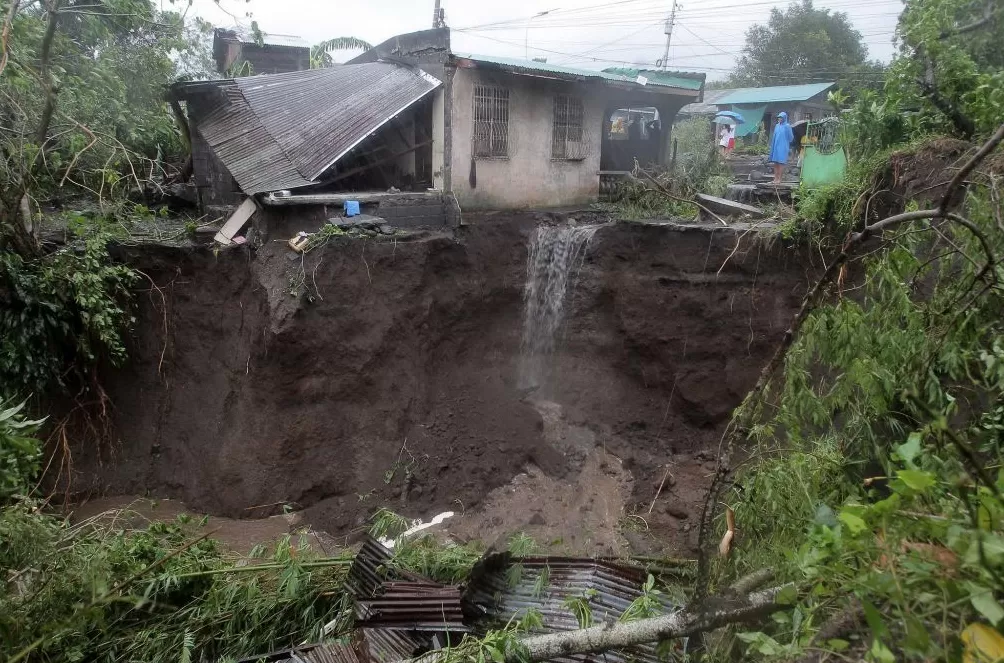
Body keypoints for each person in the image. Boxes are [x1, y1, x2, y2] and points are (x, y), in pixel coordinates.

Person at [769, 111, 795, 185]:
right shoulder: (777, 126)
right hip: (776, 146)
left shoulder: (787, 126)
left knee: (781, 163)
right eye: (779, 117)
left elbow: (791, 138)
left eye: (781, 117)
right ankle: (775, 178)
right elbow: (774, 136)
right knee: (775, 163)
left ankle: (779, 179)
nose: (779, 119)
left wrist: (785, 141)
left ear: (784, 118)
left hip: (783, 147)